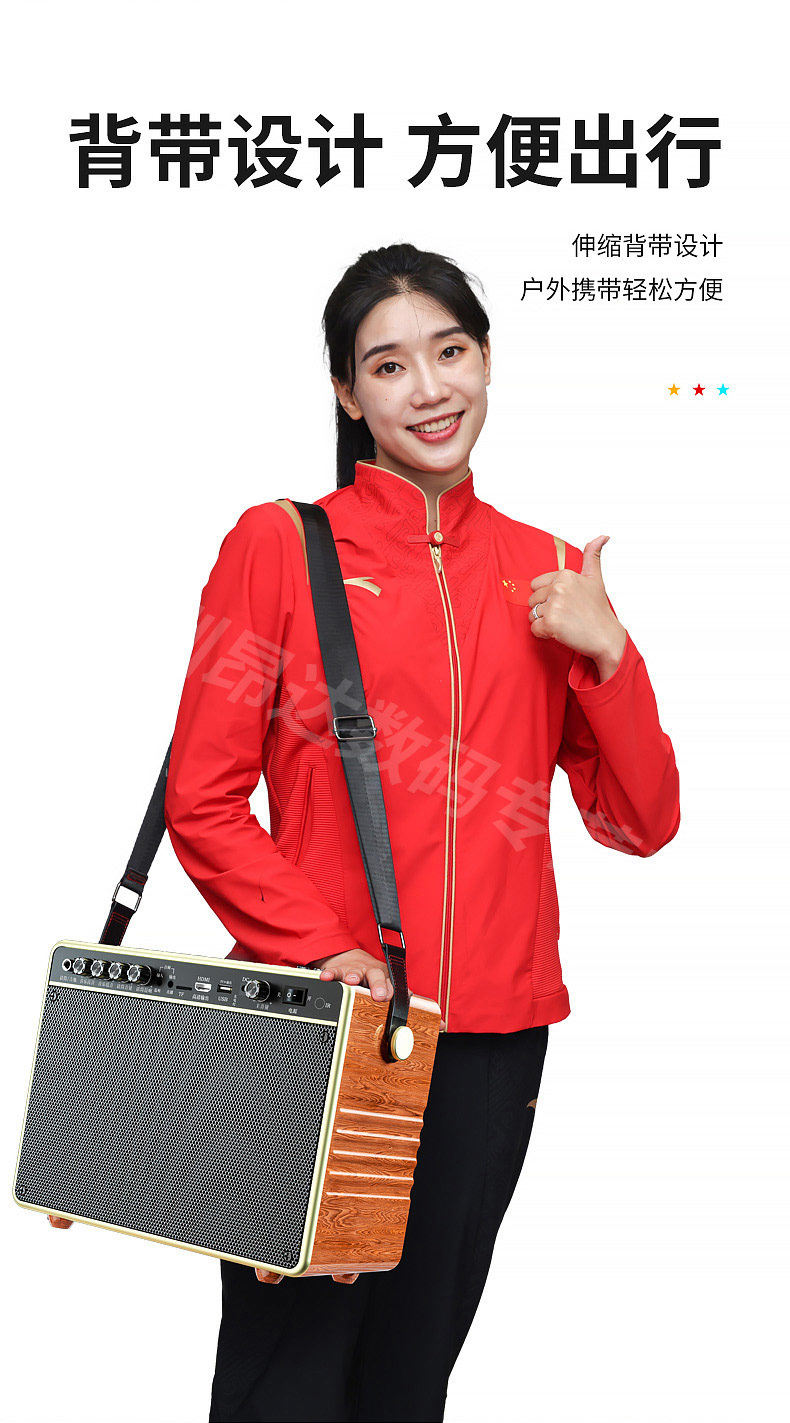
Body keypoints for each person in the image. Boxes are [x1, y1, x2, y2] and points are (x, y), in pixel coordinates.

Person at [90, 242, 682, 1421]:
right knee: (285, 1382)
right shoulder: (279, 545)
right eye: (389, 364)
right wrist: (321, 947)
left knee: (411, 1385)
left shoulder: (546, 572)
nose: (428, 388)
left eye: (449, 352)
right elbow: (205, 799)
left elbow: (641, 820)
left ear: (487, 360)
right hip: (324, 1034)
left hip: (492, 1040)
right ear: (346, 392)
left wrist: (610, 654)